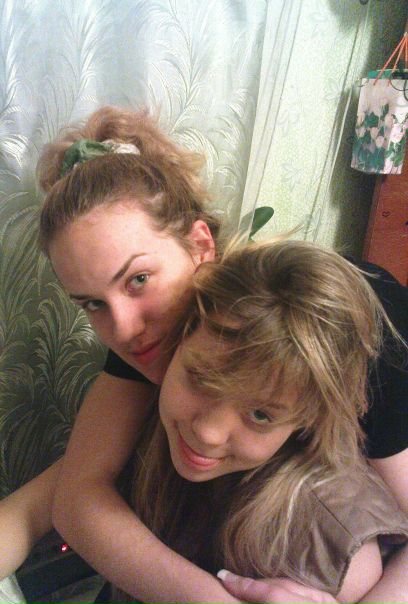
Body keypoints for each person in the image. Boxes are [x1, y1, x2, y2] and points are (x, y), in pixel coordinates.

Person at [0, 105, 407, 604]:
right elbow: (72, 491)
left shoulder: (356, 336)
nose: (122, 331)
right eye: (92, 304)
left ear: (200, 246)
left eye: (138, 279)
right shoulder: (159, 333)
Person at [111, 238, 408, 604]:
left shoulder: (333, 546)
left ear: (307, 420)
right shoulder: (144, 410)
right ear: (181, 339)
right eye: (201, 380)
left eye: (260, 415)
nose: (208, 432)